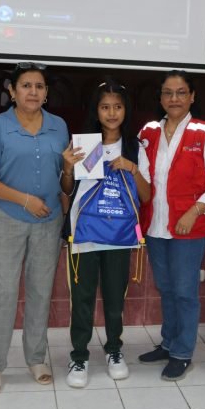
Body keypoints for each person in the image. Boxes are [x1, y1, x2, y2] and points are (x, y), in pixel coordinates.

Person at [0, 62, 69, 393]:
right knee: (5, 292)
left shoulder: (59, 126)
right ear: (12, 91)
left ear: (46, 92)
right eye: (26, 86)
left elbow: (64, 176)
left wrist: (67, 191)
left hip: (49, 220)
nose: (33, 92)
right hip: (7, 217)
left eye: (39, 86)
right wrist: (24, 199)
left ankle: (36, 358)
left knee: (41, 291)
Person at [137, 70, 205, 380]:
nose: (173, 98)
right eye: (167, 92)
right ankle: (168, 343)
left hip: (189, 226)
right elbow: (144, 178)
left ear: (192, 97)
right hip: (155, 225)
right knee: (166, 288)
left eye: (180, 92)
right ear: (161, 98)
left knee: (185, 291)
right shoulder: (148, 132)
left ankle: (182, 352)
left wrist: (196, 210)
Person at [61, 78, 151, 388]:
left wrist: (132, 168)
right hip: (84, 232)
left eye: (117, 107)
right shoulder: (85, 143)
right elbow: (67, 190)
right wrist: (67, 167)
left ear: (126, 110)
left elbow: (146, 195)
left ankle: (114, 350)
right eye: (105, 107)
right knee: (82, 299)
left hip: (119, 235)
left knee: (115, 299)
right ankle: (79, 356)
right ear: (95, 110)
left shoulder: (135, 147)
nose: (111, 113)